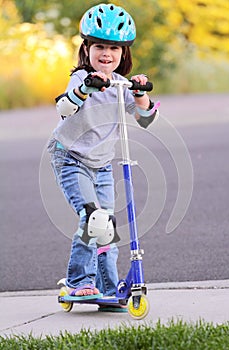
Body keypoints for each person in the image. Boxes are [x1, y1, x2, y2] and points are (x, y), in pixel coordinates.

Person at [48, 3, 159, 306]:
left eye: (114, 48)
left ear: (124, 54)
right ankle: (78, 281)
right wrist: (86, 88)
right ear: (86, 48)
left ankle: (108, 286)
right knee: (92, 218)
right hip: (70, 157)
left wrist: (140, 93)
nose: (106, 53)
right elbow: (64, 109)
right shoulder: (81, 78)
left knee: (106, 228)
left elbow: (147, 120)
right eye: (99, 46)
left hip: (102, 165)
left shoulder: (121, 85)